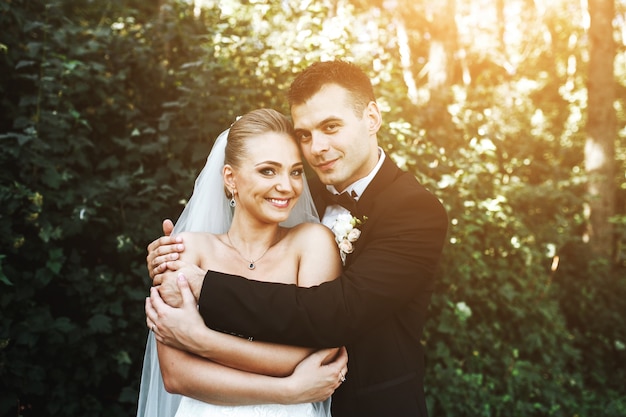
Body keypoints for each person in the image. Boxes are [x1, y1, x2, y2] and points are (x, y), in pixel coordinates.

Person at [148, 60, 448, 416]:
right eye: (304, 134)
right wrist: (169, 257)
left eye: (331, 127)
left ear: (371, 119)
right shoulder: (297, 194)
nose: (316, 147)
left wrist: (203, 304)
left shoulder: (414, 209)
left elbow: (340, 311)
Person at [138, 108, 348, 417]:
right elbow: (176, 375)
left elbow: (316, 351)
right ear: (230, 178)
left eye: (295, 171)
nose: (287, 187)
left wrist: (199, 339)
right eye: (268, 171)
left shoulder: (313, 243)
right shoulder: (186, 250)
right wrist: (288, 389)